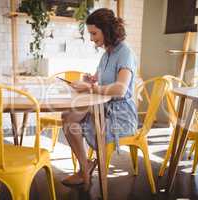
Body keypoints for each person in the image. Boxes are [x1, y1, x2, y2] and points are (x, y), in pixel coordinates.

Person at [61, 8, 138, 188]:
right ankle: (85, 166)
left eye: (94, 33)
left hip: (121, 115)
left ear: (107, 30)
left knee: (70, 119)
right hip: (104, 108)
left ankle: (84, 169)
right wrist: (91, 80)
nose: (91, 38)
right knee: (67, 116)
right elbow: (98, 82)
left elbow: (119, 89)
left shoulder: (125, 52)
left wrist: (91, 87)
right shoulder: (106, 55)